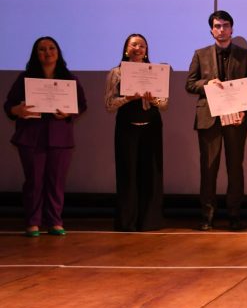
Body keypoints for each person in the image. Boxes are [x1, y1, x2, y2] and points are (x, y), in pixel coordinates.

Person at [4, 37, 88, 237]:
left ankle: (55, 221)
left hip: (60, 138)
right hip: (31, 137)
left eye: (52, 48)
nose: (47, 52)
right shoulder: (25, 79)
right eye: (42, 49)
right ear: (36, 54)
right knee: (34, 181)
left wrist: (69, 113)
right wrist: (17, 110)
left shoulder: (70, 79)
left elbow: (82, 105)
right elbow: (9, 105)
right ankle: (33, 222)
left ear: (58, 52)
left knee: (56, 182)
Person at [184, 10, 247, 231]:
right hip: (209, 118)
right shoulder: (200, 54)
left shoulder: (244, 55)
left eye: (225, 25)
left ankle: (234, 216)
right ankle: (207, 217)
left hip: (236, 118)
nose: (221, 30)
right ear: (211, 30)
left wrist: (245, 110)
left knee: (235, 168)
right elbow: (190, 84)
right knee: (208, 168)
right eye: (217, 26)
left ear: (232, 29)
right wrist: (207, 84)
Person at [104, 33, 167, 231]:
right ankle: (127, 221)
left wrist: (154, 99)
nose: (138, 48)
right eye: (134, 45)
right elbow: (109, 105)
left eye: (142, 45)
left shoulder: (156, 72)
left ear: (146, 50)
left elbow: (164, 104)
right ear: (126, 49)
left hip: (151, 127)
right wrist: (127, 98)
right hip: (127, 128)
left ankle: (149, 221)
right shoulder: (116, 73)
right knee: (127, 173)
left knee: (151, 173)